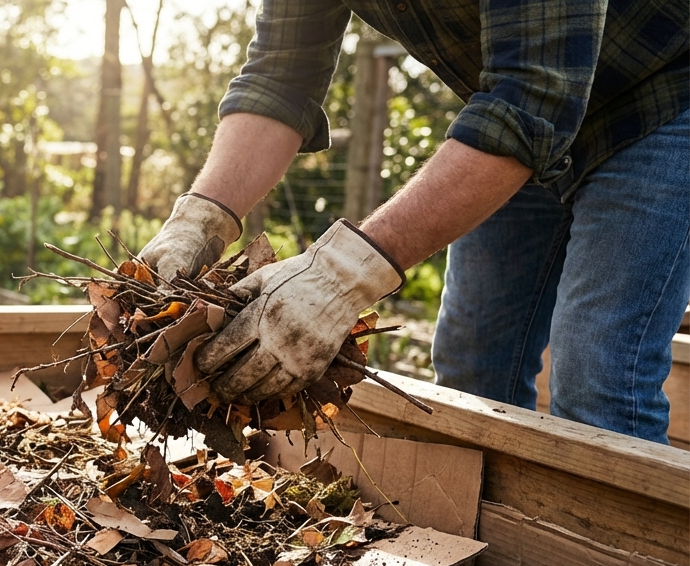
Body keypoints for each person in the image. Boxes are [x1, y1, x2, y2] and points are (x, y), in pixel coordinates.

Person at [138, 0, 689, 443]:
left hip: (660, 96)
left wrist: (341, 276)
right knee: (474, 365)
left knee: (598, 376)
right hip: (519, 114)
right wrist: (201, 215)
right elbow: (280, 76)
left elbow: (536, 94)